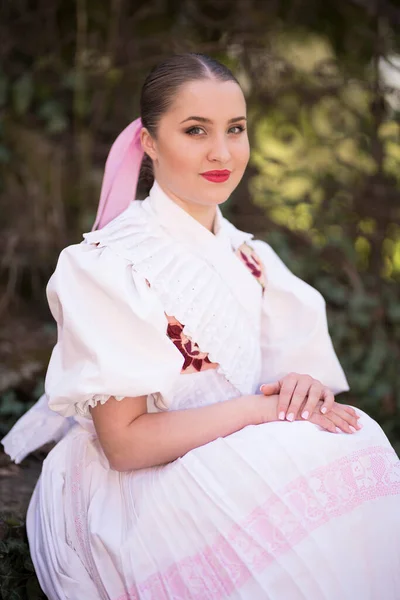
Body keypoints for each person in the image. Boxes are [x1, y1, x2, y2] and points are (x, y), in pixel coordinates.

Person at [2, 53, 400, 600]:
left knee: (361, 442)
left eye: (235, 130)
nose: (222, 152)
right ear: (149, 143)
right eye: (195, 130)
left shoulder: (252, 259)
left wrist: (301, 387)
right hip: (135, 484)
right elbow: (125, 445)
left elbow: (299, 375)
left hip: (235, 446)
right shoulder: (107, 265)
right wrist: (262, 411)